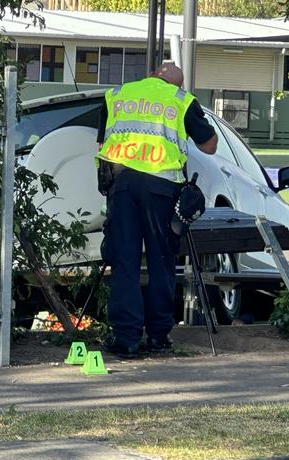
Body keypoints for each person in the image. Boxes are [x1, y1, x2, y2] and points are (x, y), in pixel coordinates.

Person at [96, 63, 218, 359]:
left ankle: (126, 339)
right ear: (178, 84)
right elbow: (210, 145)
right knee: (161, 259)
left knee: (124, 260)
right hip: (161, 188)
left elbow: (101, 142)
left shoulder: (118, 94)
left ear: (152, 76)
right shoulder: (181, 100)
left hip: (121, 182)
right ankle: (158, 337)